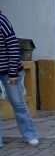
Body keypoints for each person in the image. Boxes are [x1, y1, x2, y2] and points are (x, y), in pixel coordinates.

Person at [0, 8, 38, 148]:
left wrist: (13, 73)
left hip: (10, 70)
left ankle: (30, 135)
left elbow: (13, 47)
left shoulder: (2, 21)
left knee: (17, 103)